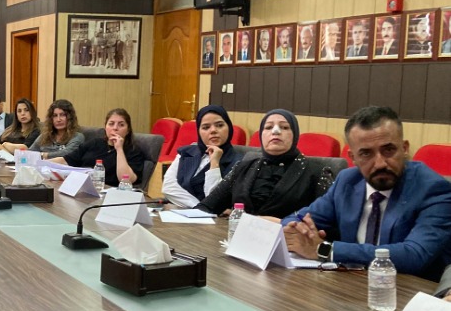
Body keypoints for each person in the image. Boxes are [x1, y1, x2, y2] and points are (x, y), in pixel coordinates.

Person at [282, 107, 451, 281]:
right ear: (353, 157)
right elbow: (294, 220)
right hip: (352, 284)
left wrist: (325, 250)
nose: (379, 163)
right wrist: (297, 231)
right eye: (366, 153)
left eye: (388, 150)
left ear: (405, 148)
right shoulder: (347, 181)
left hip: (409, 291)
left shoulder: (433, 189)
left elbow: (414, 256)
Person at [196, 109, 333, 218]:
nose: (276, 131)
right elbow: (208, 206)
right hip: (238, 240)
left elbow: (326, 223)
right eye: (268, 127)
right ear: (261, 135)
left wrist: (283, 224)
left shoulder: (316, 172)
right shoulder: (244, 166)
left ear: (295, 135)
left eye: (284, 127)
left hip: (287, 245)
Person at [163, 106, 243, 208]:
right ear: (199, 131)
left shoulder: (239, 162)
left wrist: (214, 163)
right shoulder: (186, 152)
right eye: (206, 127)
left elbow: (216, 200)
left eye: (219, 125)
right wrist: (199, 207)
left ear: (229, 128)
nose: (213, 130)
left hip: (216, 222)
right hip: (182, 213)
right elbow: (169, 187)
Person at [50, 108, 144, 187]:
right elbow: (66, 160)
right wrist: (40, 164)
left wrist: (119, 149)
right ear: (105, 127)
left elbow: (126, 180)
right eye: (111, 124)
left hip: (109, 193)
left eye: (121, 125)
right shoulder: (94, 143)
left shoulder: (133, 150)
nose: (115, 128)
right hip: (82, 188)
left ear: (128, 130)